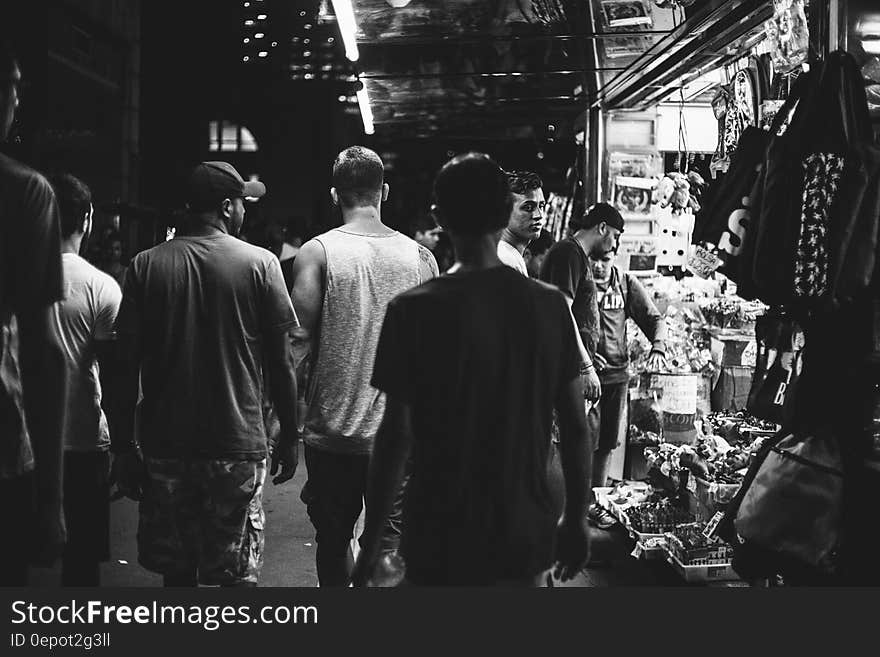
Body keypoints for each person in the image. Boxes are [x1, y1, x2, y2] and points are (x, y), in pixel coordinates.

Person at [352, 152, 591, 587]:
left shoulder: (412, 311)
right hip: (522, 528)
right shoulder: (549, 307)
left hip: (437, 529)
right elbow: (575, 427)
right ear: (504, 214)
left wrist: (372, 544)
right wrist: (576, 520)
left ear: (439, 216)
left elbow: (394, 436)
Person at [113, 161, 300, 587]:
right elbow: (281, 362)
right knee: (236, 576)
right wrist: (289, 432)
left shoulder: (145, 266)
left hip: (165, 448)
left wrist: (124, 446)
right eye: (242, 202)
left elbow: (124, 365)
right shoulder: (260, 264)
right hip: (235, 447)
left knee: (177, 574)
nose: (244, 211)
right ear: (226, 207)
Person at [291, 146, 438, 587]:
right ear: (384, 191)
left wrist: (279, 418)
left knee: (333, 539)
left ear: (335, 194)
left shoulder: (316, 253)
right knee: (389, 542)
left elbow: (296, 342)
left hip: (331, 432)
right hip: (397, 434)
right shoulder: (420, 259)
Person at [0, 40, 69, 585]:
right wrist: (52, 497)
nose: (18, 102)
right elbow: (45, 354)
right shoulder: (25, 193)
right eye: (15, 86)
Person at [48, 173, 121, 586]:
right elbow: (114, 371)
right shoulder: (102, 288)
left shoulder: (16, 280)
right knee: (82, 564)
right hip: (83, 441)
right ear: (88, 219)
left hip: (22, 440)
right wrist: (126, 445)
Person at [539, 202, 623, 525]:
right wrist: (585, 365)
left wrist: (588, 352)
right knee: (560, 446)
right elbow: (561, 310)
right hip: (565, 372)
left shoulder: (573, 255)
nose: (614, 245)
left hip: (568, 367)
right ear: (602, 228)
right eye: (614, 236)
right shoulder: (568, 253)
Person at [588, 250, 667, 528]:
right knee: (581, 441)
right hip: (584, 378)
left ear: (614, 257)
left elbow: (654, 318)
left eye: (605, 259)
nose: (598, 266)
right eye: (593, 259)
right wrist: (583, 357)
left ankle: (595, 503)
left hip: (617, 376)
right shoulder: (577, 282)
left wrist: (658, 345)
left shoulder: (625, 283)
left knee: (607, 442)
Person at [496, 170, 545, 276]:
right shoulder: (507, 260)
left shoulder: (508, 255)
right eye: (528, 208)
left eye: (541, 206)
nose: (539, 215)